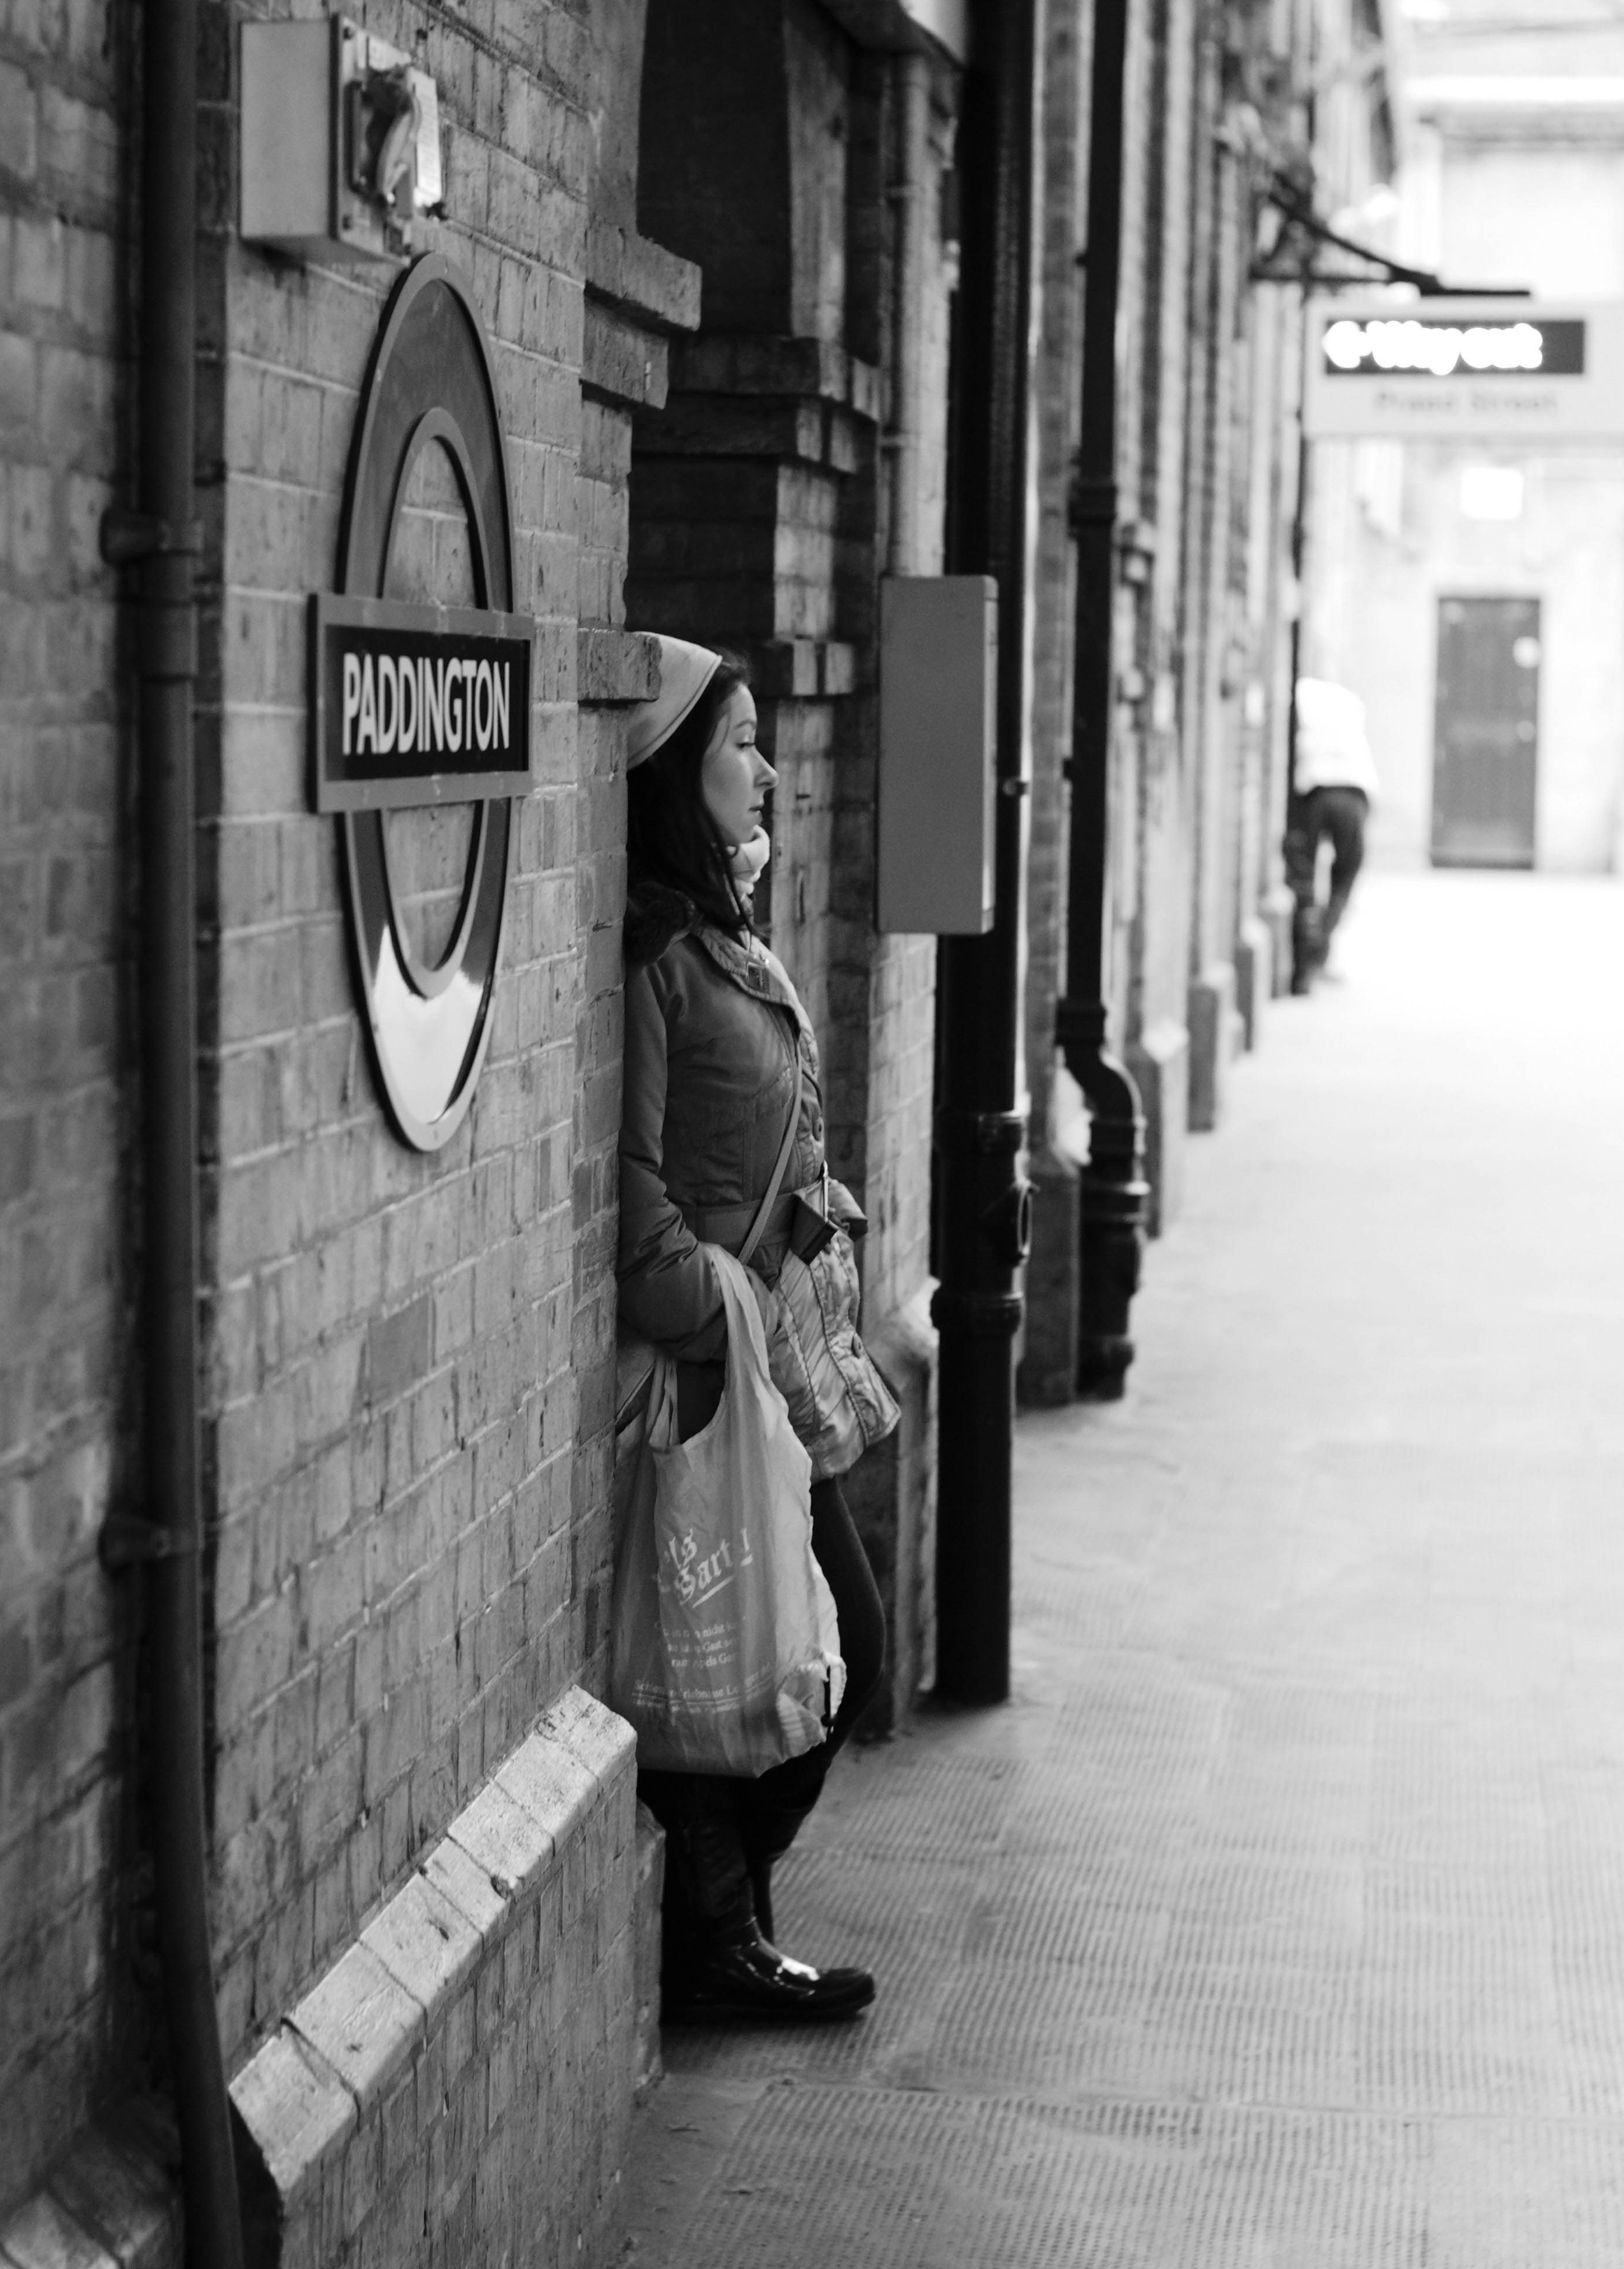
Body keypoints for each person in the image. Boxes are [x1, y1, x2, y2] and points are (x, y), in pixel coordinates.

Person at [616, 636, 891, 2024]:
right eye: (738, 742)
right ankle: (708, 1934)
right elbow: (637, 1197)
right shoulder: (662, 956)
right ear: (678, 770)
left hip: (781, 1362)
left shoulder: (721, 925)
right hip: (726, 1373)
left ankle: (724, 1926)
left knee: (801, 1653)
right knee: (784, 1664)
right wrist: (721, 1310)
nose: (769, 767)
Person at [1286, 675, 1379, 993]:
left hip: (1313, 789)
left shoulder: (1299, 696)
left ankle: (1303, 967)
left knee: (1304, 877)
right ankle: (1320, 946)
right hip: (1353, 792)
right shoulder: (1347, 701)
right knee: (1346, 873)